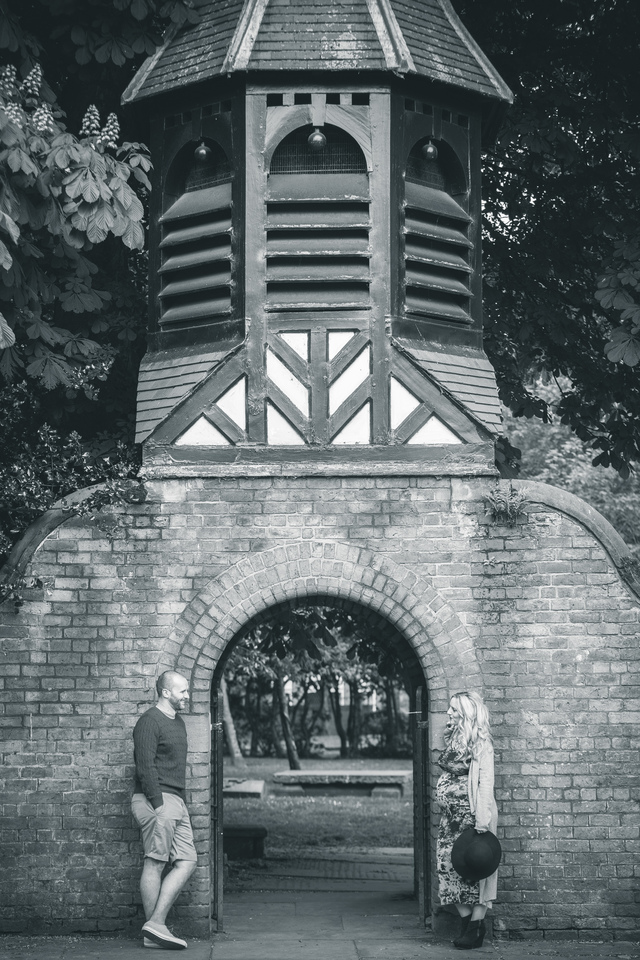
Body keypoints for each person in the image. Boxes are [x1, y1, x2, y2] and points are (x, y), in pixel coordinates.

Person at [131, 670, 197, 950]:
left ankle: (155, 925)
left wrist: (174, 803)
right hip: (156, 800)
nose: (187, 695)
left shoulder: (178, 722)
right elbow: (145, 766)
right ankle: (154, 931)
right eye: (182, 691)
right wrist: (158, 804)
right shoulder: (149, 721)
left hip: (175, 801)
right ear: (166, 692)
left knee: (187, 861)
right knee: (155, 862)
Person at [435, 690, 498, 950]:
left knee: (478, 874)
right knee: (447, 870)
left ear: (466, 713)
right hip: (449, 821)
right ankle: (468, 925)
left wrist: (482, 822)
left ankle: (474, 928)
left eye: (453, 710)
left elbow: (486, 784)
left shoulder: (482, 744)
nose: (448, 713)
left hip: (472, 818)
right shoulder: (453, 739)